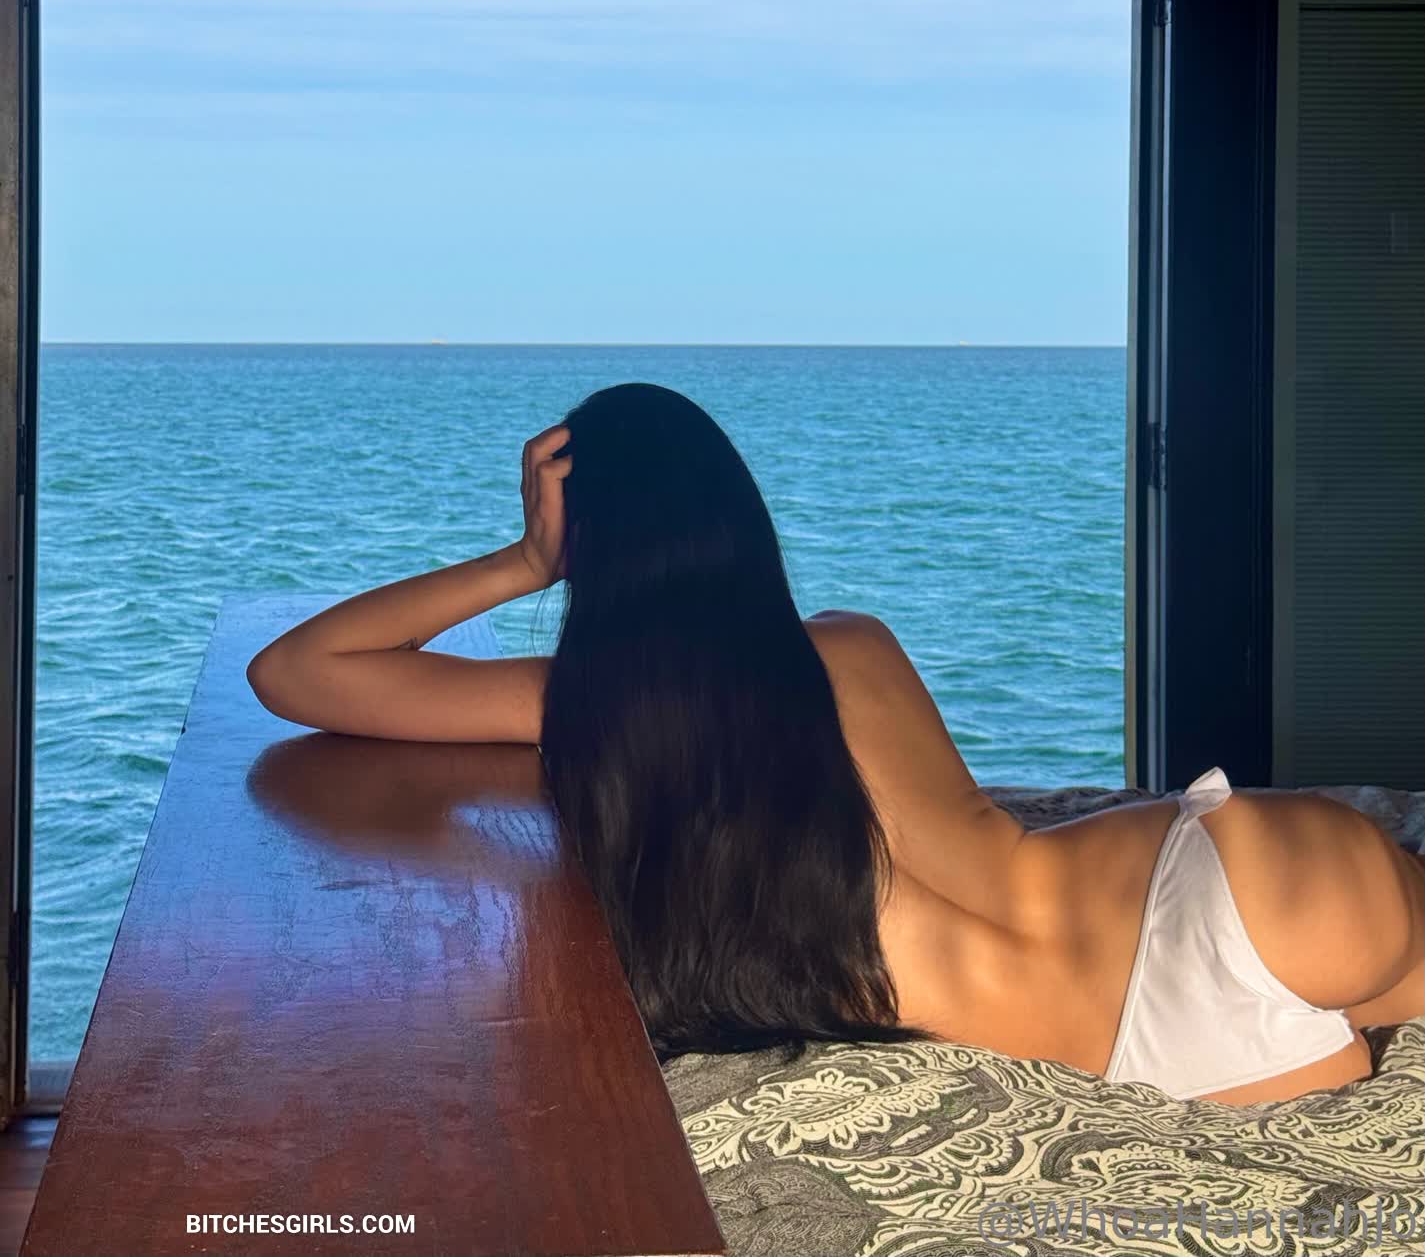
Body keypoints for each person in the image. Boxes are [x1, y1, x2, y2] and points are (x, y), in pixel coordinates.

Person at [247, 383, 1424, 1106]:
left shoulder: (584, 711)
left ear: (595, 548)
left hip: (1151, 1052)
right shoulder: (849, 645)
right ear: (734, 521)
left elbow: (297, 672)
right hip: (1246, 881)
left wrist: (523, 561)